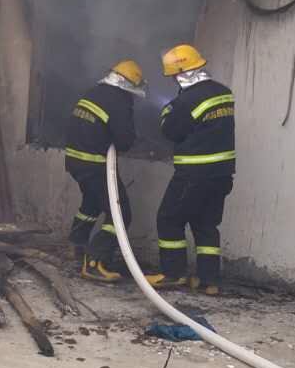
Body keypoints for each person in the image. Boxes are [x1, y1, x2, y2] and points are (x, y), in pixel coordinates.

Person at [146, 44, 235, 296]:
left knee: (169, 218)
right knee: (206, 224)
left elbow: (171, 131)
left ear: (180, 73)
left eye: (173, 76)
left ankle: (173, 273)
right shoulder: (224, 92)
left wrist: (166, 113)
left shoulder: (186, 101)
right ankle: (209, 280)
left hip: (194, 174)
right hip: (222, 174)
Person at [65, 60, 145, 283]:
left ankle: (76, 244)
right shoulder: (118, 102)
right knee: (121, 213)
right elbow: (124, 140)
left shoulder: (93, 93)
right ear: (128, 85)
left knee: (91, 204)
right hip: (95, 165)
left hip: (76, 162)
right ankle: (94, 262)